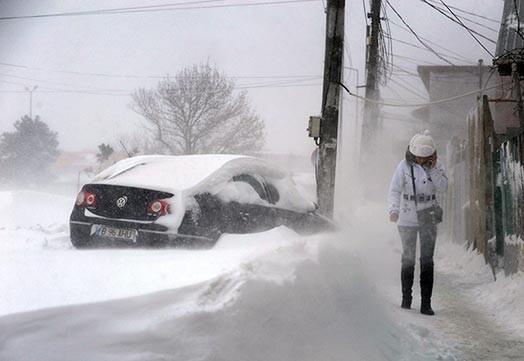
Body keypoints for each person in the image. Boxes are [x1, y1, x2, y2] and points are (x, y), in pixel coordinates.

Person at [387, 130, 448, 316]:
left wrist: (434, 169)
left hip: (428, 215)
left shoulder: (437, 167)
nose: (422, 161)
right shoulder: (403, 167)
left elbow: (444, 187)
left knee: (427, 260)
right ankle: (406, 299)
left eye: (426, 157)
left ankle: (426, 303)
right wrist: (393, 210)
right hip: (406, 217)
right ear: (413, 154)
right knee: (408, 258)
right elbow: (394, 190)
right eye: (419, 157)